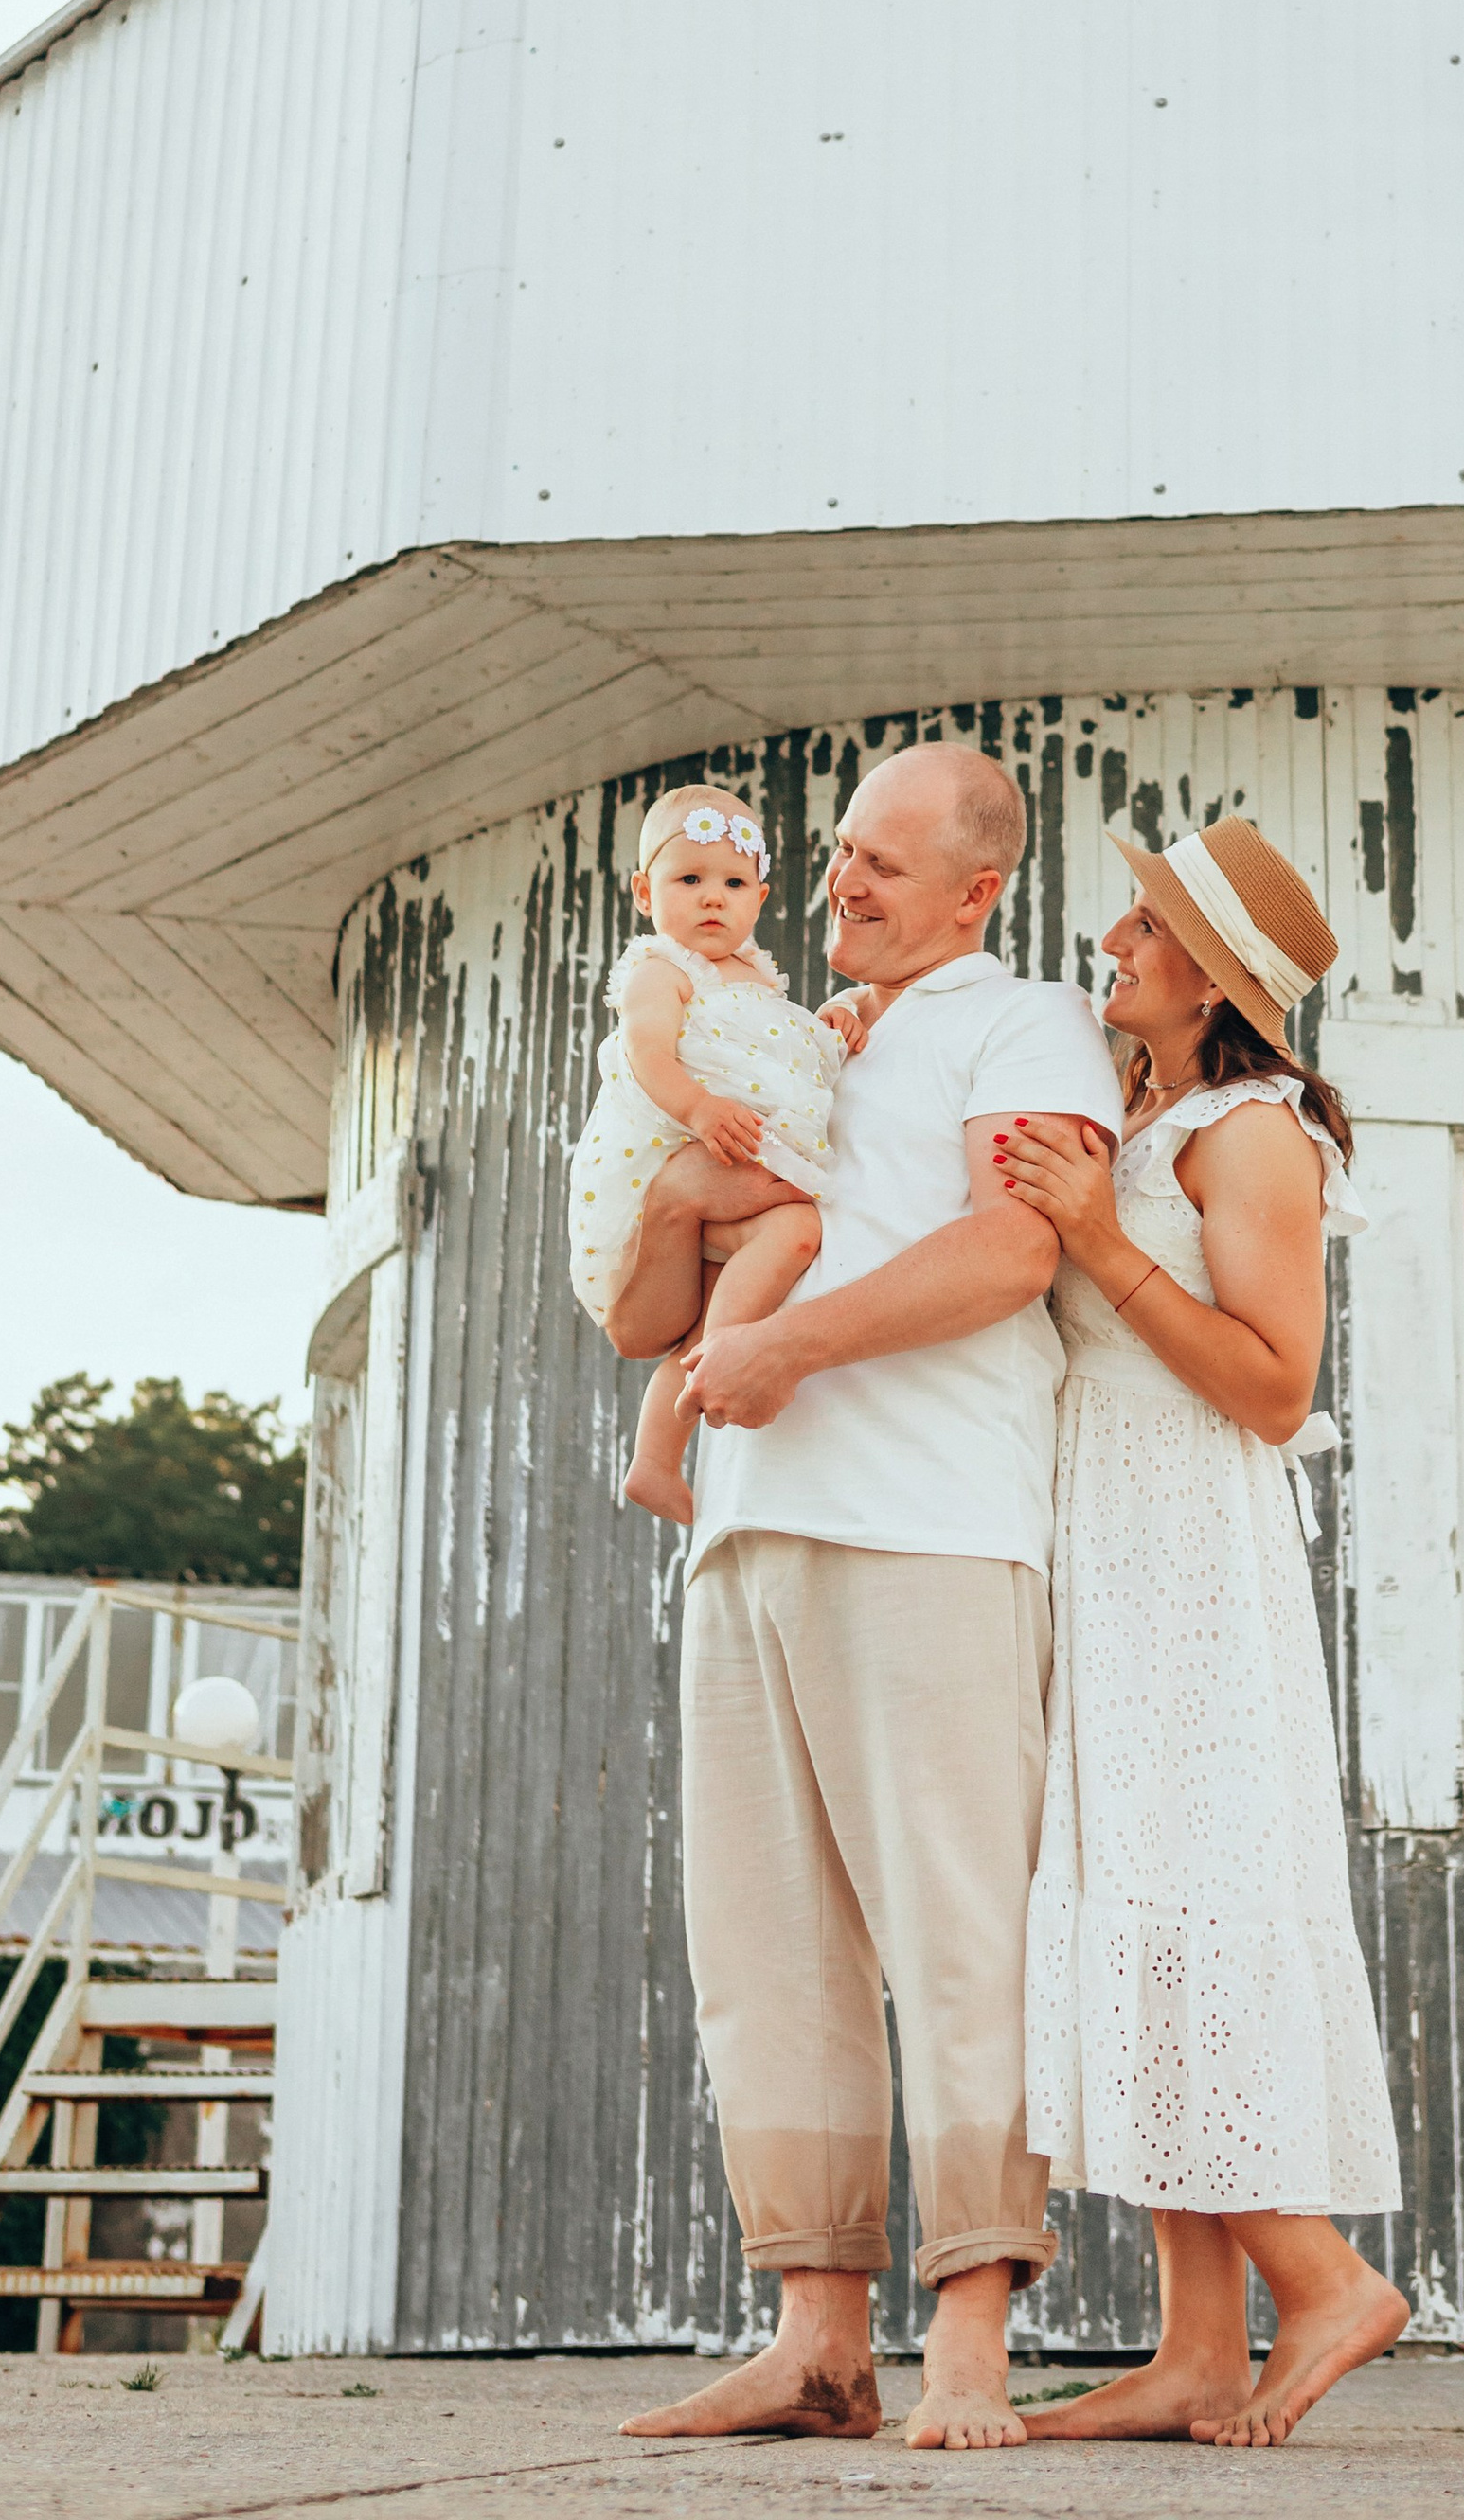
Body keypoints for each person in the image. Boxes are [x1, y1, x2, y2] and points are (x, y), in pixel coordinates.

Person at [593, 740, 1124, 2453]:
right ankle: (817, 2335)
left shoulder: (1020, 1017)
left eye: (885, 863)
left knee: (957, 1927)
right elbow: (647, 1317)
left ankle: (971, 2328)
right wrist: (674, 1214)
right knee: (770, 1952)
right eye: (838, 862)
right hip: (747, 1522)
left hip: (933, 1524)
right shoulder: (774, 1031)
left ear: (977, 886)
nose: (841, 885)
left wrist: (784, 1344)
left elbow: (1009, 1249)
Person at [994, 814, 1408, 2449]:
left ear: (1209, 976)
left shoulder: (1249, 1130)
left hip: (1189, 1550)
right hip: (1105, 1534)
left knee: (1194, 1889)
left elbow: (1275, 1384)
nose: (1113, 932)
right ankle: (1190, 2352)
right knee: (1139, 1905)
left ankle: (1324, 2283)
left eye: (1146, 922)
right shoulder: (1145, 1107)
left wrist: (1099, 1241)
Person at [567, 784, 852, 1523]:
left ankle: (658, 1455)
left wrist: (837, 1022)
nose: (711, 900)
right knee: (796, 1226)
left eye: (731, 883)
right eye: (688, 880)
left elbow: (782, 1054)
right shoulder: (660, 970)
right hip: (661, 1161)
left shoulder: (761, 977)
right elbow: (648, 1052)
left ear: (760, 896)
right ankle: (685, 1415)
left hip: (727, 1166)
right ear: (643, 891)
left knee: (782, 1243)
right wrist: (696, 1107)